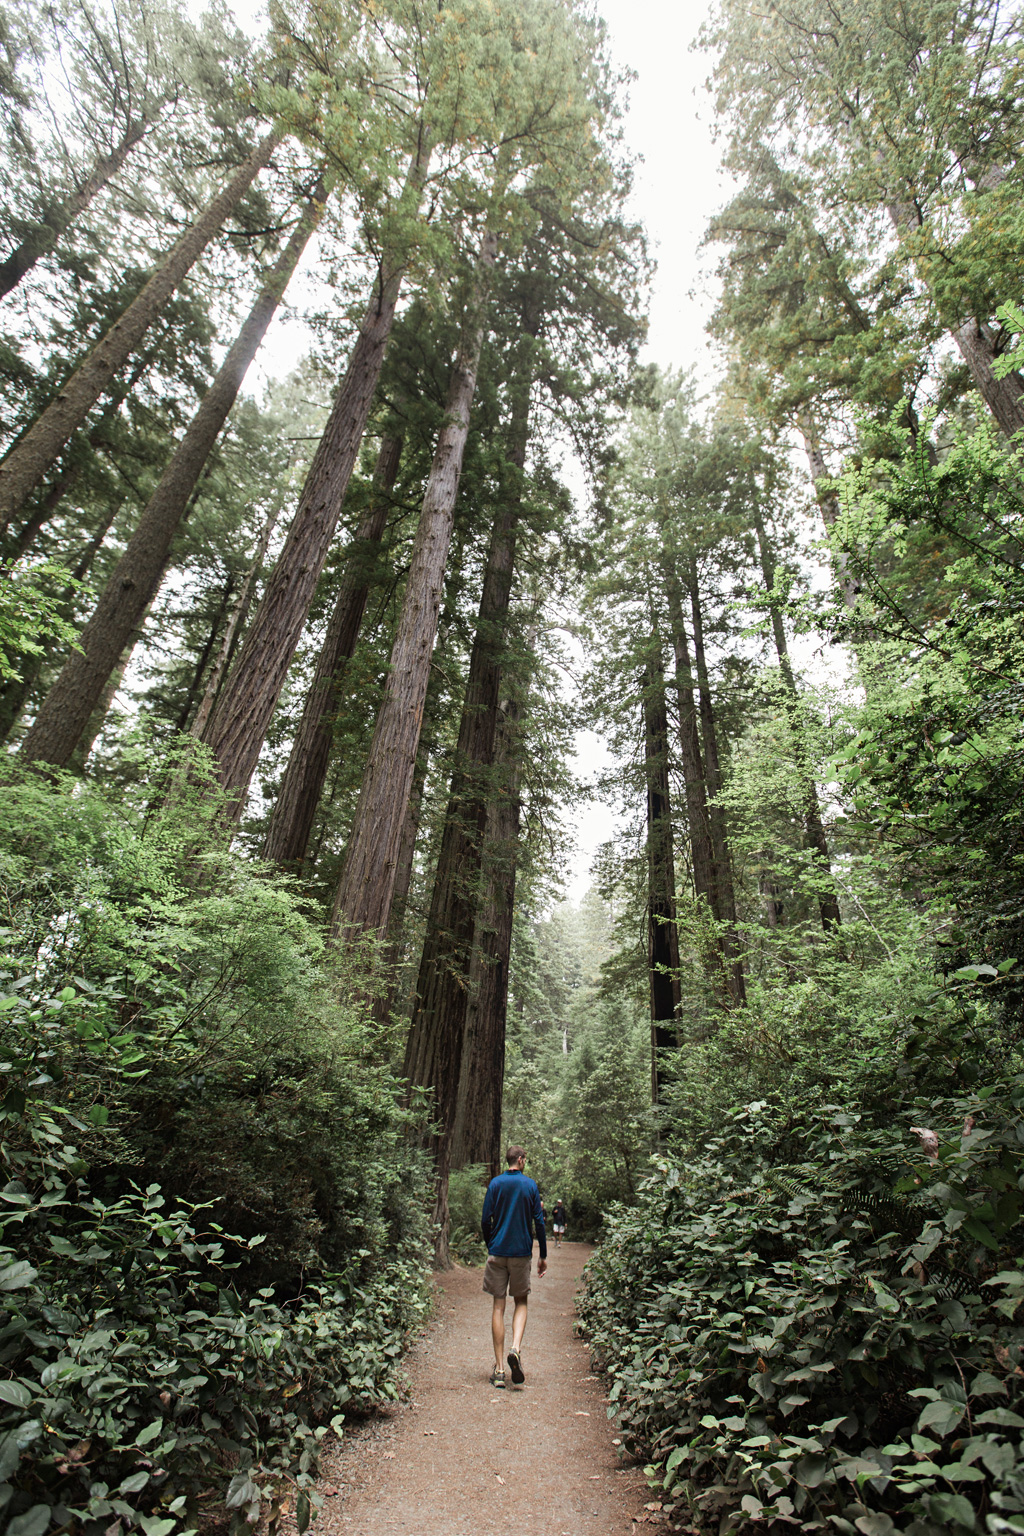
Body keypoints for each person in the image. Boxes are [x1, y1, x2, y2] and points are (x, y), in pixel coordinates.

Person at [480, 1145, 547, 1388]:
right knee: (521, 1301)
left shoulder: (495, 1184)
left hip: (497, 1252)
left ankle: (499, 1371)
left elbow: (485, 1219)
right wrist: (543, 1255)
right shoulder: (529, 1185)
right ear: (520, 1160)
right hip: (520, 1253)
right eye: (525, 1159)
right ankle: (515, 1349)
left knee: (498, 1306)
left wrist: (491, 1244)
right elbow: (539, 1222)